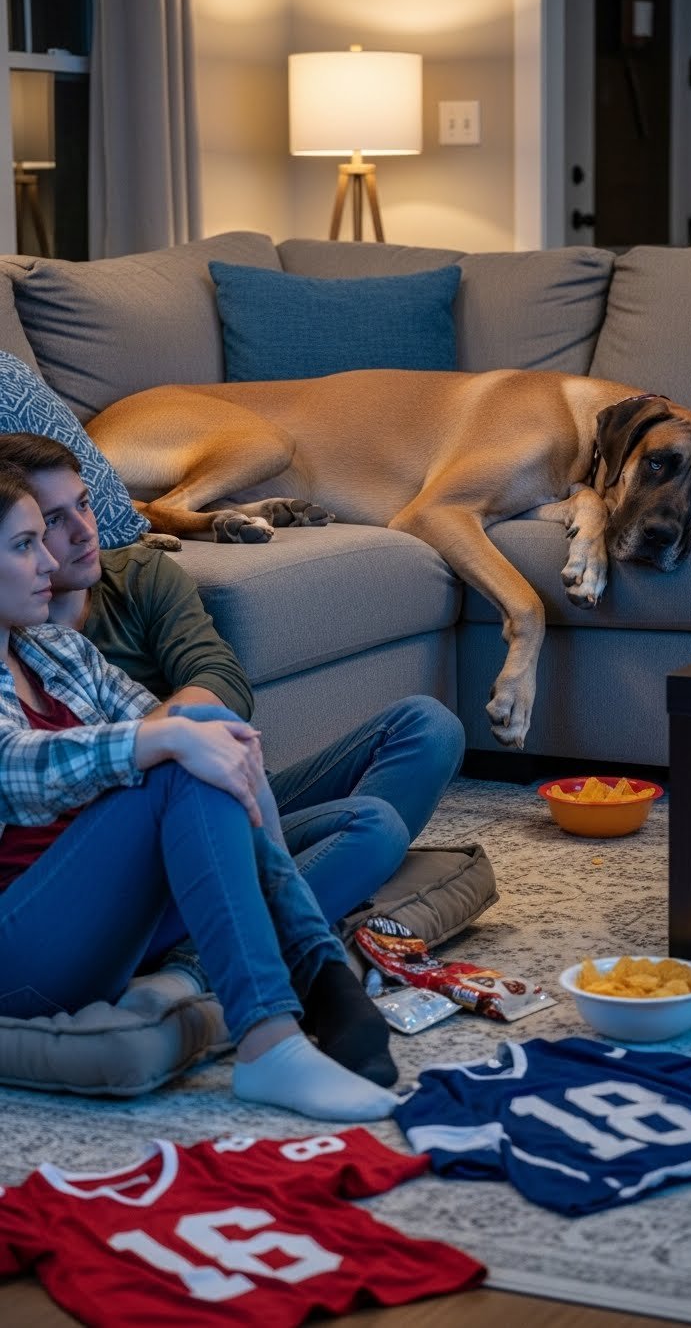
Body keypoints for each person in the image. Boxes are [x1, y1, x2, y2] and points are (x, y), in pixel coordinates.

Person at [0, 458, 396, 1123]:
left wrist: (190, 735)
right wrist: (166, 741)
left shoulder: (53, 652)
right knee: (184, 750)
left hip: (99, 930)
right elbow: (12, 767)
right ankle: (283, 1016)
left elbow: (180, 726)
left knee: (204, 729)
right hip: (19, 955)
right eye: (23, 545)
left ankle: (310, 971)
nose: (48, 561)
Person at [0, 433, 465, 938]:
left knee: (427, 726)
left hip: (202, 796)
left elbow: (221, 679)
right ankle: (314, 906)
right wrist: (155, 751)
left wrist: (172, 739)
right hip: (124, 837)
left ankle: (304, 893)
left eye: (85, 506)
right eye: (50, 523)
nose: (84, 532)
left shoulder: (136, 580)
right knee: (371, 831)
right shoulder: (21, 647)